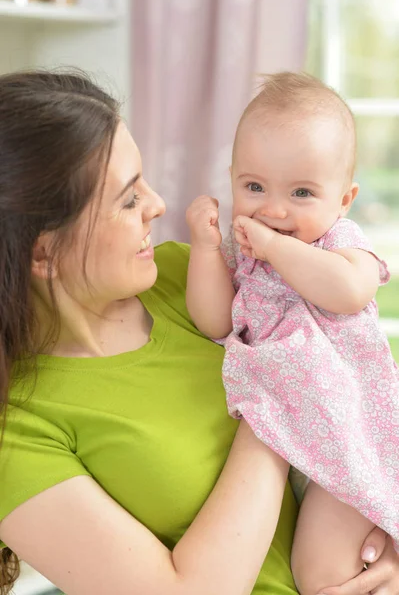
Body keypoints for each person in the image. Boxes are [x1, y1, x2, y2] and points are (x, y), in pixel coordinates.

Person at [0, 70, 397, 595]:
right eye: (127, 199)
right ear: (44, 254)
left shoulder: (185, 276)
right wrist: (285, 397)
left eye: (143, 181)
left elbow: (355, 364)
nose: (158, 204)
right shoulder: (17, 431)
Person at [186, 72, 399, 595]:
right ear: (232, 178)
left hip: (348, 434)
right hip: (280, 431)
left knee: (324, 572)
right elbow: (213, 320)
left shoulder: (338, 241)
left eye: (302, 192)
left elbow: (349, 291)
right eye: (254, 187)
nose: (274, 210)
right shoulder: (243, 255)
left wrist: (279, 250)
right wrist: (205, 249)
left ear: (343, 199)